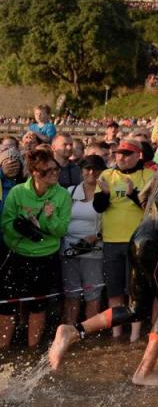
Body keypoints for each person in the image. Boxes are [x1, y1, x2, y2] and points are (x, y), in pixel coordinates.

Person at [48, 125, 158, 384]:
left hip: (140, 237)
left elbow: (146, 200)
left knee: (135, 308)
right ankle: (144, 372)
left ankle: (72, 331)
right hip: (155, 243)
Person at [0, 146, 72, 349]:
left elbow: (61, 230)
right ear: (34, 173)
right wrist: (20, 228)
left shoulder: (62, 195)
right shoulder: (17, 192)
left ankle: (32, 349)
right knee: (7, 304)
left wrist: (50, 218)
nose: (53, 174)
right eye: (47, 171)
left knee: (37, 305)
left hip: (45, 256)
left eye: (55, 169)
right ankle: (3, 348)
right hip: (17, 254)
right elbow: (6, 224)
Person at [96, 137, 155, 341]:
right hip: (111, 240)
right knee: (114, 290)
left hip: (137, 241)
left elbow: (151, 208)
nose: (121, 157)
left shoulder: (149, 175)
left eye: (127, 153)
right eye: (119, 153)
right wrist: (103, 195)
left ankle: (135, 334)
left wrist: (133, 194)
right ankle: (116, 331)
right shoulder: (106, 175)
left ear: (138, 155)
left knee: (135, 290)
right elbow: (99, 207)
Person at [61, 155, 108, 328]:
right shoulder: (70, 192)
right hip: (68, 249)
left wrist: (98, 236)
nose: (91, 172)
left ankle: (89, 333)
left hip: (94, 250)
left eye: (96, 169)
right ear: (81, 171)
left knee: (93, 293)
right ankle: (69, 330)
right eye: (87, 168)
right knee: (71, 293)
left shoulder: (106, 193)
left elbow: (113, 221)